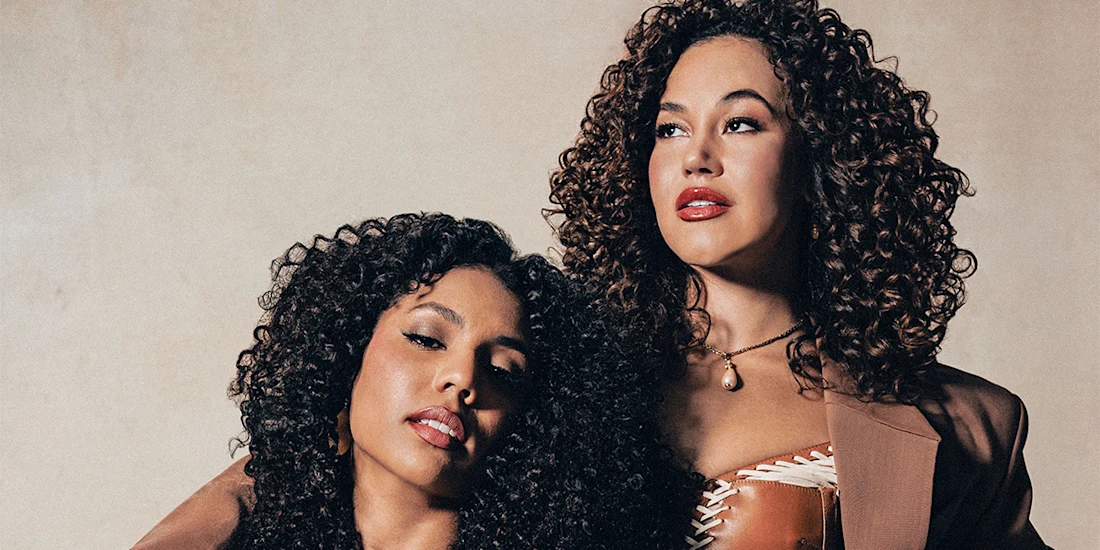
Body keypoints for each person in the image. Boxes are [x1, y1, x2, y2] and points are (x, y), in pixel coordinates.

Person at [547, 0, 1048, 548]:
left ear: (819, 160)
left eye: (740, 123)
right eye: (670, 129)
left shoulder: (966, 428)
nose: (696, 156)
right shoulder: (549, 374)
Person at [133, 213, 693, 549]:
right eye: (426, 339)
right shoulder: (262, 517)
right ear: (346, 353)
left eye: (503, 372)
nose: (461, 379)